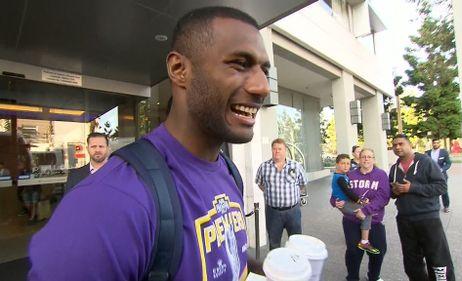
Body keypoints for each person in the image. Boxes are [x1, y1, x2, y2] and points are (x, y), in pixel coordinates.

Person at [29, 6, 270, 281]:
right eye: (240, 64)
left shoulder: (229, 173)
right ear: (179, 69)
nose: (262, 87)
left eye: (264, 70)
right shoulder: (109, 203)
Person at [389, 134, 455, 281]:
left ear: (409, 144)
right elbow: (392, 193)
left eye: (401, 144)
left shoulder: (426, 162)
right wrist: (394, 191)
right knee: (411, 262)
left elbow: (441, 186)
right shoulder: (394, 169)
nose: (397, 147)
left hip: (428, 218)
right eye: (394, 145)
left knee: (438, 259)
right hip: (405, 220)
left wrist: (411, 188)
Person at [331, 149, 390, 281]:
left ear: (374, 159)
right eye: (363, 157)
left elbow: (384, 197)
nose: (366, 159)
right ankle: (352, 277)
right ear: (359, 159)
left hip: (373, 220)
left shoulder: (381, 175)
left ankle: (373, 276)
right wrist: (335, 202)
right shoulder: (350, 175)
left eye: (369, 157)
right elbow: (336, 193)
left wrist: (366, 210)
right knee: (353, 252)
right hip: (351, 221)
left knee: (379, 250)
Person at [255, 138, 308, 250]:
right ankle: (276, 267)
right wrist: (270, 192)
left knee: (296, 242)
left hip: (293, 211)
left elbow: (302, 184)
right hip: (273, 213)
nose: (277, 151)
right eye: (274, 148)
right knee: (274, 244)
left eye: (280, 149)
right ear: (272, 150)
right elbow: (260, 184)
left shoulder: (295, 166)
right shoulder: (264, 167)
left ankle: (295, 266)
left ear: (285, 151)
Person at [331, 153, 380, 255]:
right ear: (337, 164)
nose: (346, 166)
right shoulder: (340, 178)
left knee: (366, 212)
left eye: (348, 164)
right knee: (366, 213)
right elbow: (347, 191)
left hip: (347, 202)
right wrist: (359, 201)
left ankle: (364, 238)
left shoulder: (343, 176)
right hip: (344, 203)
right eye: (343, 163)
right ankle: (364, 242)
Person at [425, 138, 452, 213]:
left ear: (439, 144)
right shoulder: (427, 153)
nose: (435, 144)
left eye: (437, 143)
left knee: (444, 191)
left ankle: (446, 206)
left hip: (442, 175)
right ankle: (431, 205)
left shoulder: (444, 152)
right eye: (434, 143)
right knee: (431, 190)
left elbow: (448, 163)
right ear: (432, 144)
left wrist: (442, 169)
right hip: (430, 175)